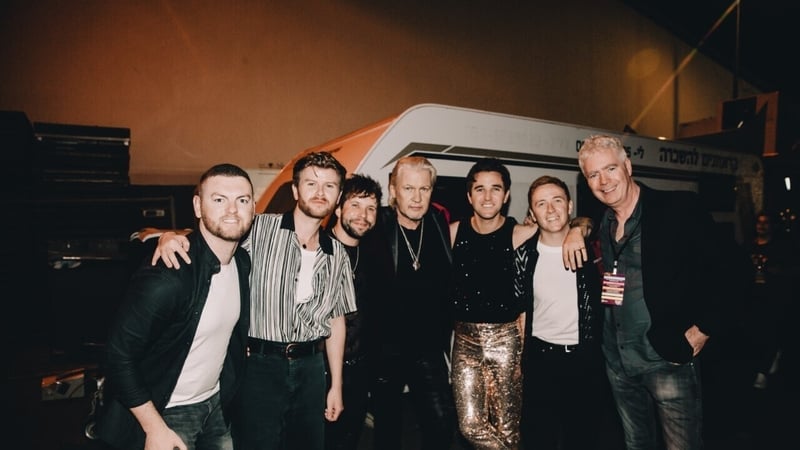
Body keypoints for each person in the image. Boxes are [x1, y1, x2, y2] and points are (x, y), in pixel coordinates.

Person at [153, 151, 357, 450]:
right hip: (259, 366)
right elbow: (212, 233)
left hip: (312, 368)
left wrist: (335, 385)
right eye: (311, 184)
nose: (320, 192)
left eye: (329, 186)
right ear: (295, 190)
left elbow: (336, 321)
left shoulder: (337, 253)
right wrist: (164, 236)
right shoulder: (258, 229)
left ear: (338, 196)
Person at [577, 134, 739, 450]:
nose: (604, 181)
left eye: (610, 169)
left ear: (628, 165)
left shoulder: (677, 208)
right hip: (618, 362)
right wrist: (575, 227)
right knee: (637, 445)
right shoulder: (605, 223)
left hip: (667, 359)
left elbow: (734, 271)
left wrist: (703, 329)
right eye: (593, 175)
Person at [95, 163, 255, 450]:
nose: (232, 210)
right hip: (166, 411)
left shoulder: (242, 262)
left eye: (242, 200)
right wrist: (154, 428)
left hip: (215, 404)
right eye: (219, 200)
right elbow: (118, 356)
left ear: (253, 207)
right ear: (197, 205)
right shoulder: (168, 276)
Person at [448, 159, 588, 449]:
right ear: (469, 195)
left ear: (507, 195)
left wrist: (579, 228)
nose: (488, 197)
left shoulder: (520, 234)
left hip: (508, 341)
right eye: (480, 189)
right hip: (465, 342)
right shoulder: (452, 233)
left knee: (509, 426)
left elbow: (563, 223)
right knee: (470, 425)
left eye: (495, 189)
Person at [364, 155, 457, 450]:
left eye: (424, 189)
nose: (417, 198)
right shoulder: (375, 225)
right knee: (388, 432)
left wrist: (578, 226)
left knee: (441, 426)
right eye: (408, 189)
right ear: (393, 190)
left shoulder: (439, 224)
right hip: (385, 350)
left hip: (428, 348)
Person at [517, 175, 612, 450]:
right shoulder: (524, 255)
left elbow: (597, 220)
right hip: (540, 361)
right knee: (538, 439)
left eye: (557, 201)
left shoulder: (593, 247)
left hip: (586, 360)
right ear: (532, 213)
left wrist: (579, 230)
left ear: (569, 205)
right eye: (541, 204)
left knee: (583, 438)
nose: (550, 209)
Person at [323, 174, 384, 450]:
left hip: (359, 371)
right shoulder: (318, 248)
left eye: (371, 208)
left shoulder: (373, 253)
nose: (364, 215)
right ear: (338, 208)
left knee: (348, 441)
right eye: (356, 205)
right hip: (319, 372)